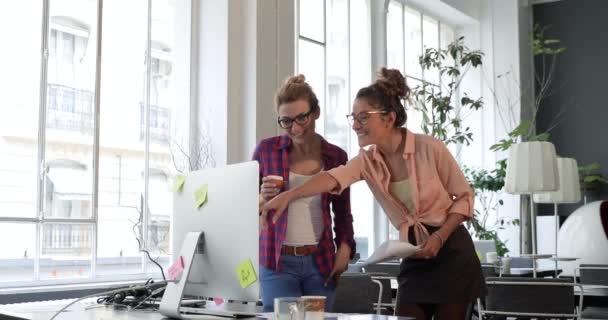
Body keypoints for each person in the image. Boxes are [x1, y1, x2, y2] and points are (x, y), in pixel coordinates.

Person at [261, 68, 485, 320]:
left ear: (389, 118)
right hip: (414, 253)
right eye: (353, 117)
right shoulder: (367, 161)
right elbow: (332, 178)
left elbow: (464, 198)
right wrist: (289, 195)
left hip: (452, 251)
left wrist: (440, 237)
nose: (355, 125)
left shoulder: (430, 148)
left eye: (363, 117)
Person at [252, 74, 356, 312]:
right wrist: (261, 198)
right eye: (286, 121)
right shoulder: (266, 150)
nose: (295, 128)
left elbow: (343, 213)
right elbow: (246, 206)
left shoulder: (335, 156)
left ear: (316, 112)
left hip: (320, 261)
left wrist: (345, 247)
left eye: (302, 118)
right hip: (277, 262)